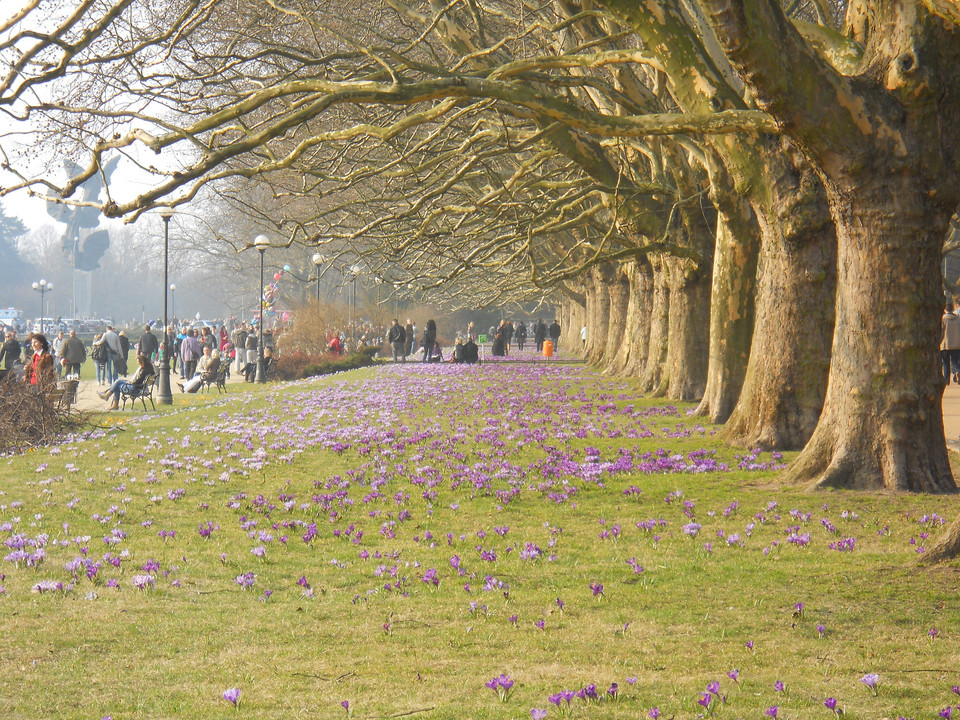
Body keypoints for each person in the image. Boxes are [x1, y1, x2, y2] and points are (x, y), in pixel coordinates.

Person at [942, 302, 960, 384]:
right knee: (954, 361)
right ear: (953, 309)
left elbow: (941, 331)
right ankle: (957, 371)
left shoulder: (943, 319)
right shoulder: (958, 318)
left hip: (945, 344)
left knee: (946, 363)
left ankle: (946, 380)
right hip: (956, 344)